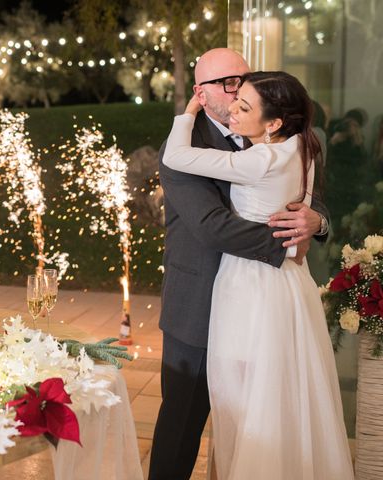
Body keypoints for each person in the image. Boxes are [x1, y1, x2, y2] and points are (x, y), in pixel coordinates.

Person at [148, 48, 330, 480]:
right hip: (199, 305)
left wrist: (317, 221)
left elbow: (306, 194)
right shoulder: (183, 146)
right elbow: (212, 226)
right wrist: (285, 245)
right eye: (228, 83)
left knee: (260, 422)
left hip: (261, 307)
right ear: (200, 93)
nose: (239, 91)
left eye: (244, 80)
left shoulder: (277, 134)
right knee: (181, 427)